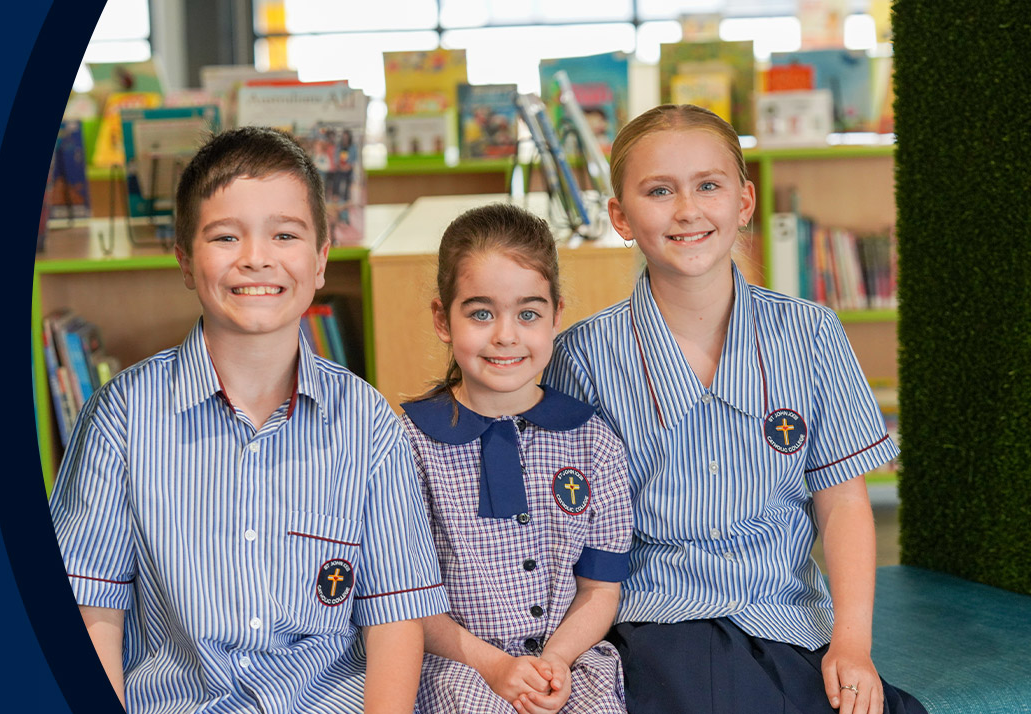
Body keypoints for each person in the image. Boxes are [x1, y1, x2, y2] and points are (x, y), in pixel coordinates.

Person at [543, 104, 927, 714]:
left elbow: (844, 500)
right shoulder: (583, 358)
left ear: (744, 202)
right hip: (654, 623)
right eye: (659, 190)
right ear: (620, 216)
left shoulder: (811, 333)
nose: (687, 209)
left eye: (708, 186)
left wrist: (852, 644)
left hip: (788, 620)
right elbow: (566, 532)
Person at [49, 126, 447, 714]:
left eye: (284, 234)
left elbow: (395, 618)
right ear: (185, 260)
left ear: (319, 260)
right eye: (226, 236)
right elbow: (91, 613)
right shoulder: (122, 419)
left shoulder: (368, 426)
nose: (256, 257)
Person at [399, 203, 632, 714]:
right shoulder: (405, 445)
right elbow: (404, 601)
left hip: (567, 666)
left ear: (556, 317)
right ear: (443, 318)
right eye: (481, 313)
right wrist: (495, 667)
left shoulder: (595, 442)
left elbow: (599, 587)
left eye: (528, 314)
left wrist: (557, 659)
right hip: (457, 669)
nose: (505, 335)